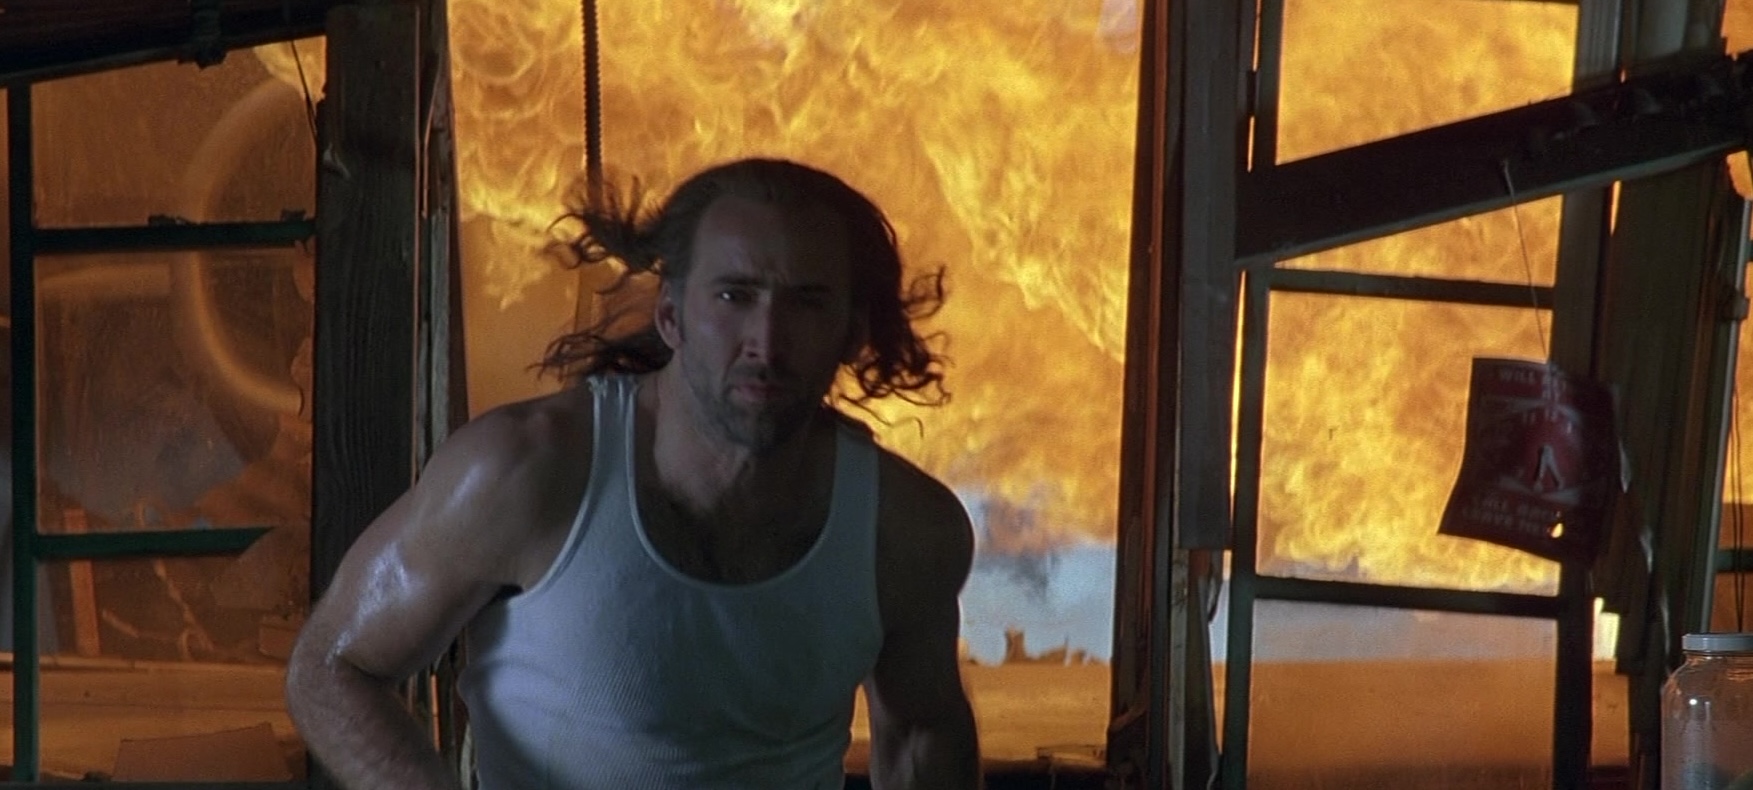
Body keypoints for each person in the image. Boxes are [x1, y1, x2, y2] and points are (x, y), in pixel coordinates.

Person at [285, 157, 982, 789]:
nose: (766, 342)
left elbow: (921, 735)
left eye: (807, 301)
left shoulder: (904, 528)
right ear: (672, 316)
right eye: (734, 296)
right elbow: (334, 667)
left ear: (851, 332)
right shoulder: (524, 471)